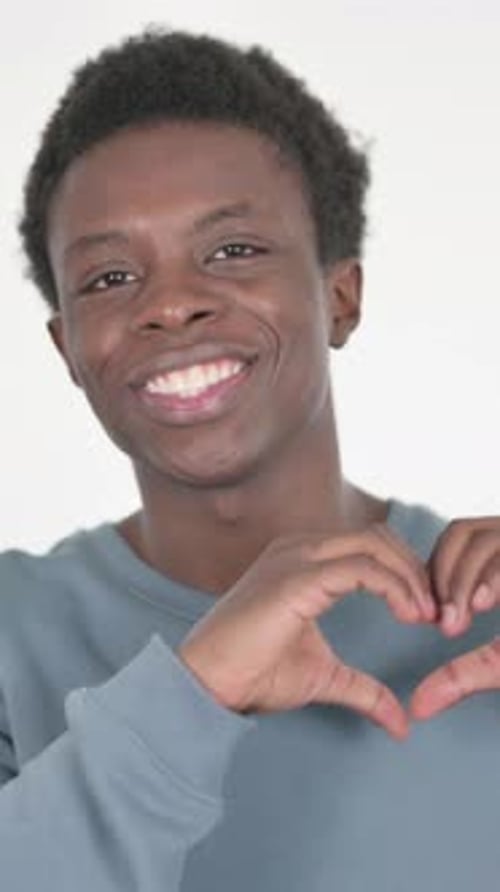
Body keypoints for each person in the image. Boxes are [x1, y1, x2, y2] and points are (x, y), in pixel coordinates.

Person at [2, 27, 500, 891]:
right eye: (109, 278)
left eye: (233, 251)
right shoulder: (12, 632)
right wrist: (193, 690)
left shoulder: (481, 618)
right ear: (67, 351)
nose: (173, 305)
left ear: (339, 297)